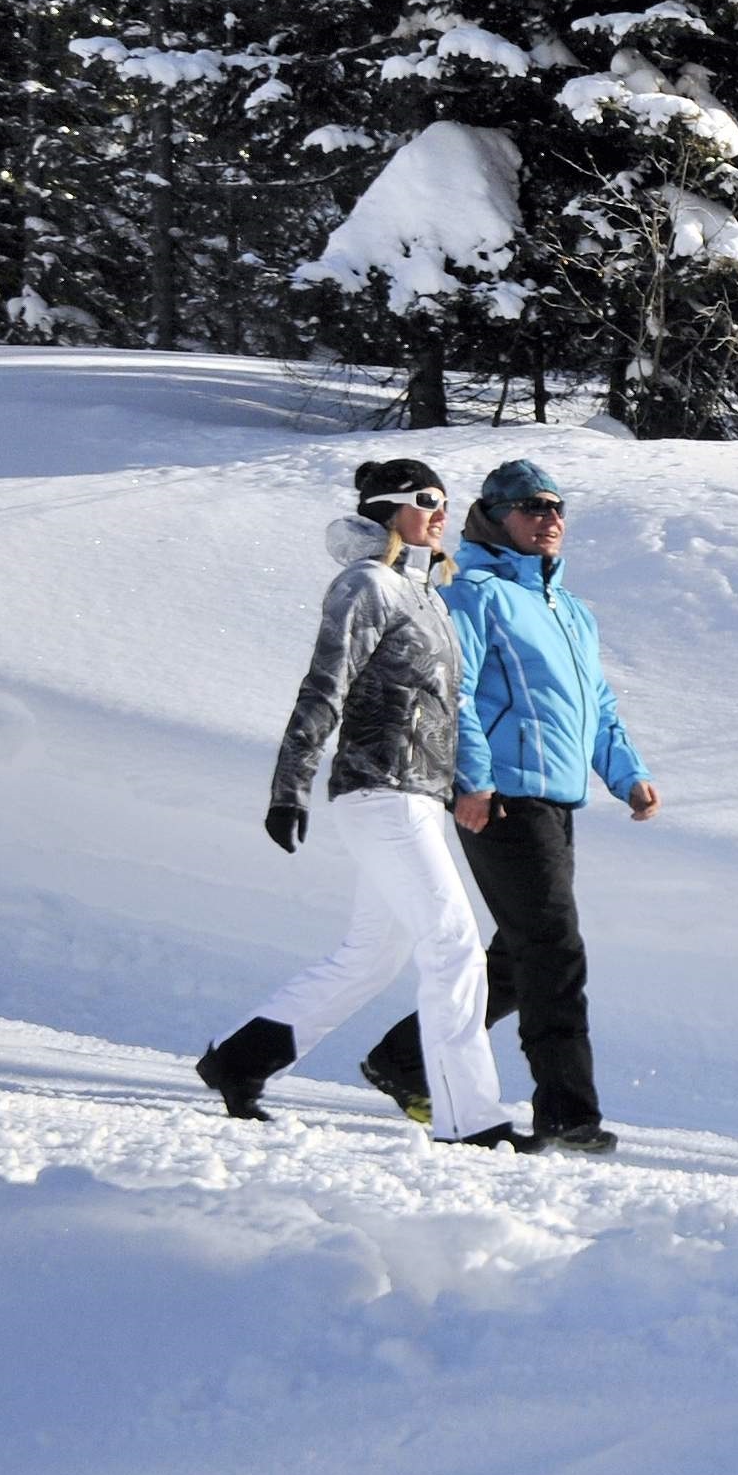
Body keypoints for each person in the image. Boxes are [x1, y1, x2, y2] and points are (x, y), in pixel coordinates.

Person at [194, 457, 505, 1144]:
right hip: (380, 789)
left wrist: (468, 785)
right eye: (426, 499)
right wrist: (289, 787)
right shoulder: (366, 584)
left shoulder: (424, 594)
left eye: (446, 500)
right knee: (454, 948)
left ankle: (241, 1060)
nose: (440, 511)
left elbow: (443, 707)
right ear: (387, 507)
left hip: (417, 795)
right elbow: (324, 683)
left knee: (372, 955)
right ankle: (469, 1119)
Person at [356, 457, 656, 1155]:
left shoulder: (570, 609)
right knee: (555, 951)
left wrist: (628, 774)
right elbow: (452, 696)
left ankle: (403, 1059)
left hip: (556, 797)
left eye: (556, 508)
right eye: (530, 507)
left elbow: (598, 705)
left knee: (522, 960)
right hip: (503, 797)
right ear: (495, 516)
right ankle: (568, 1115)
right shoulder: (475, 594)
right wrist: (475, 782)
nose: (548, 519)